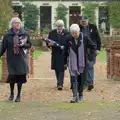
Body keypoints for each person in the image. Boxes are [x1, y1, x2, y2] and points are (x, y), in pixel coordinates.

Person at [0, 17, 32, 102]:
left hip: (21, 58)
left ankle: (18, 95)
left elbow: (29, 45)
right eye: (16, 23)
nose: (18, 24)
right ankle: (11, 94)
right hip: (11, 59)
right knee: (12, 76)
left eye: (19, 23)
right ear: (12, 24)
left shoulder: (25, 34)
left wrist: (23, 45)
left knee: (20, 77)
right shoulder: (7, 35)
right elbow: (3, 47)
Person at [64, 24, 96, 103]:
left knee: (82, 79)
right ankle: (74, 95)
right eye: (73, 33)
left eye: (76, 33)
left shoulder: (84, 37)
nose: (75, 35)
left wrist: (89, 57)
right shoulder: (68, 38)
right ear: (71, 33)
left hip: (83, 62)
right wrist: (65, 61)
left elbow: (93, 46)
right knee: (73, 79)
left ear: (79, 31)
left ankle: (81, 95)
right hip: (72, 62)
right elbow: (65, 50)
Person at [79, 15, 101, 91]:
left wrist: (98, 49)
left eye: (85, 21)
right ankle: (85, 83)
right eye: (82, 21)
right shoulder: (78, 28)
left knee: (90, 66)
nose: (83, 22)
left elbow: (98, 38)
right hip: (82, 50)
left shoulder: (93, 27)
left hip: (92, 50)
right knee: (83, 67)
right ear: (80, 22)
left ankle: (90, 83)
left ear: (87, 20)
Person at [47, 19, 69, 90]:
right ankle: (58, 81)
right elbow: (48, 42)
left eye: (61, 26)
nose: (60, 27)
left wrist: (65, 47)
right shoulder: (52, 33)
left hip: (63, 53)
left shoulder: (66, 32)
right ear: (56, 26)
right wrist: (49, 45)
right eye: (58, 26)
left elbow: (69, 43)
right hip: (55, 53)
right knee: (56, 68)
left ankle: (60, 84)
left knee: (62, 68)